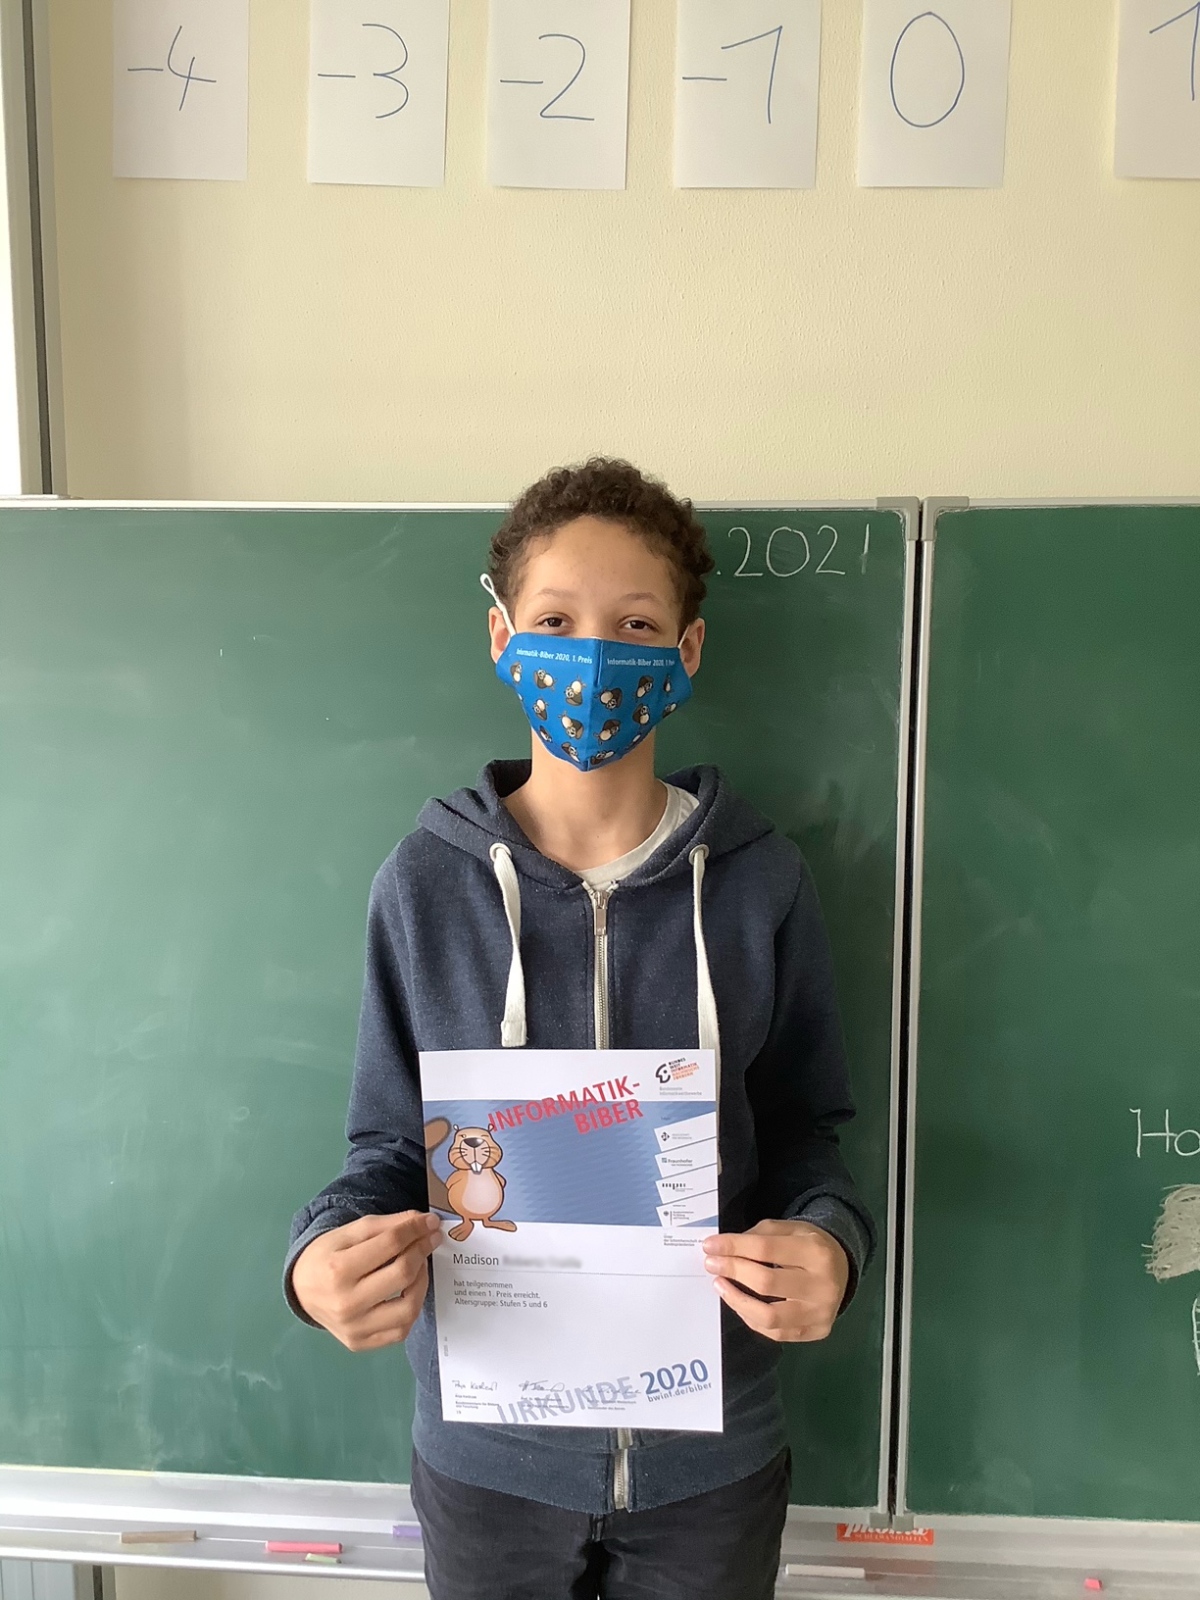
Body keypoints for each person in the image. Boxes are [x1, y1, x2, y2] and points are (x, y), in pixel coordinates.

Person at [283, 458, 875, 1600]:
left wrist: (831, 1247)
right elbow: (390, 1147)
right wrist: (318, 1259)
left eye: (635, 624)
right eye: (555, 621)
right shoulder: (425, 884)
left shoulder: (760, 883)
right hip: (489, 1458)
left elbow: (806, 1132)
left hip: (712, 1457)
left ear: (686, 652)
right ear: (502, 636)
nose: (593, 656)